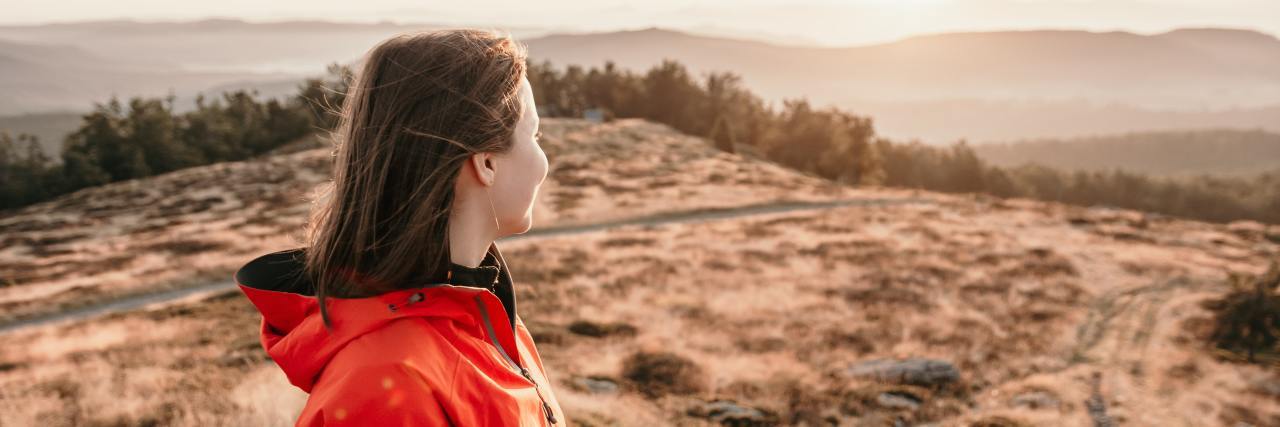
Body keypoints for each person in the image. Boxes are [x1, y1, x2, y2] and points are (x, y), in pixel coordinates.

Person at [233, 28, 564, 426]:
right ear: (486, 163)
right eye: (534, 134)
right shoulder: (388, 384)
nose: (544, 159)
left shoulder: (482, 314)